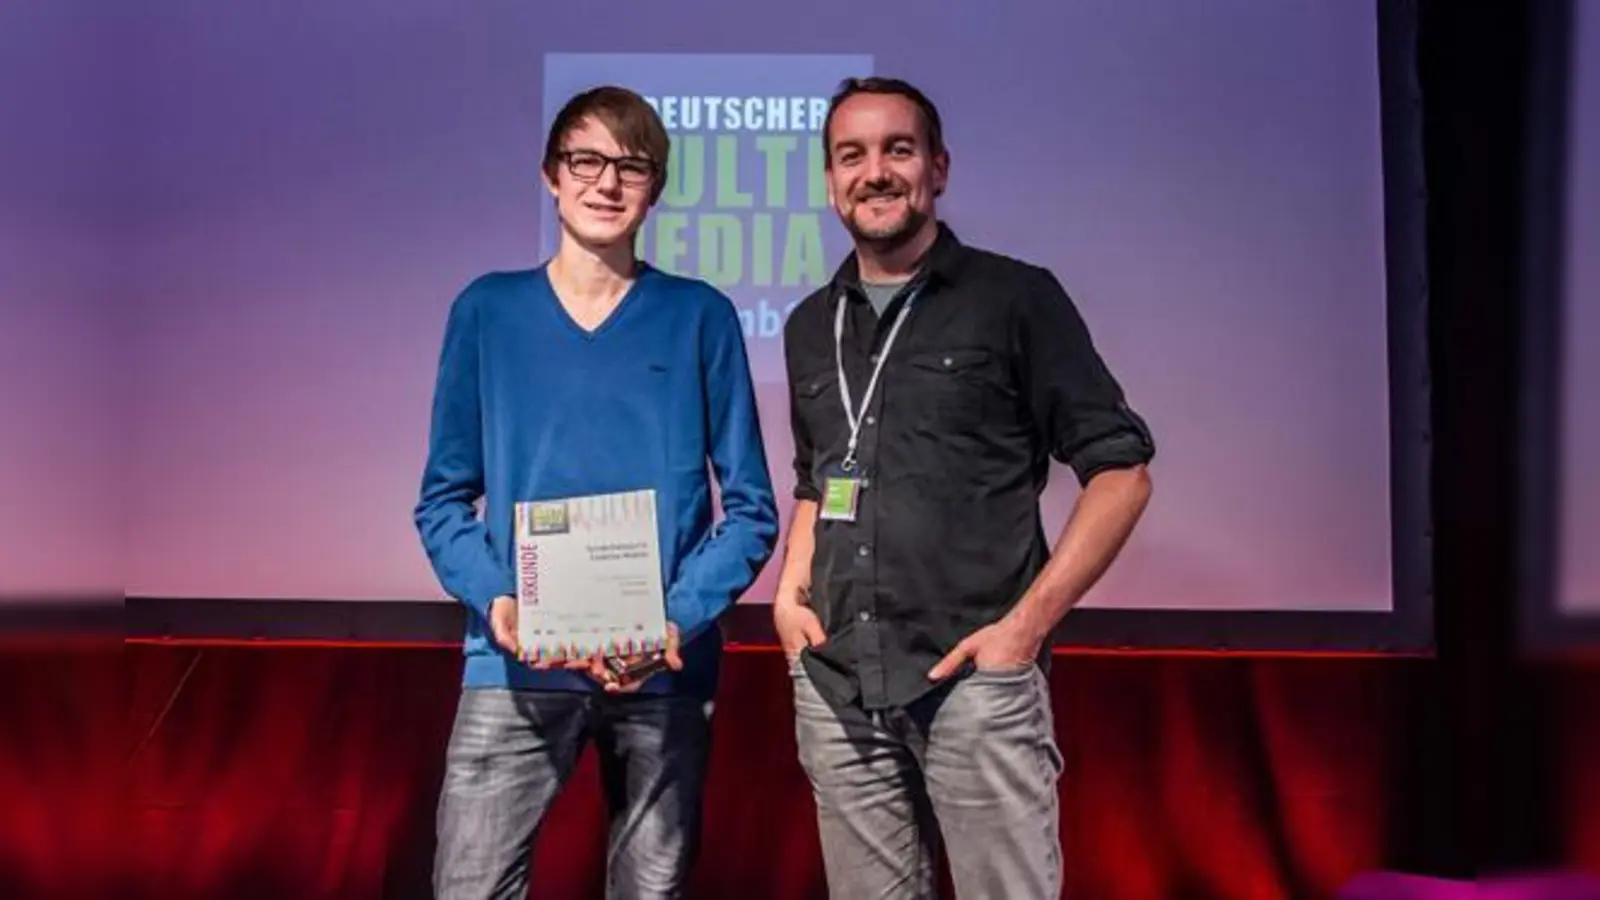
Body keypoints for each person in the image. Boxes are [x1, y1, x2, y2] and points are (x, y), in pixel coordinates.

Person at [774, 76, 1156, 899]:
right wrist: (788, 593)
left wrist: (1025, 629)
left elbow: (1120, 472)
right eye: (852, 155)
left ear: (938, 168)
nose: (875, 172)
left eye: (897, 150)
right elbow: (818, 480)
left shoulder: (1015, 298)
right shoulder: (811, 323)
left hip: (976, 684)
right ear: (831, 180)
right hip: (840, 681)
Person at [414, 85, 779, 899]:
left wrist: (672, 619)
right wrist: (498, 598)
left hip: (663, 674)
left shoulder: (701, 315)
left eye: (632, 166)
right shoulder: (487, 311)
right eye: (586, 160)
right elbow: (443, 500)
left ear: (655, 187)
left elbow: (752, 509)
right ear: (551, 174)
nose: (607, 183)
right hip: (513, 666)